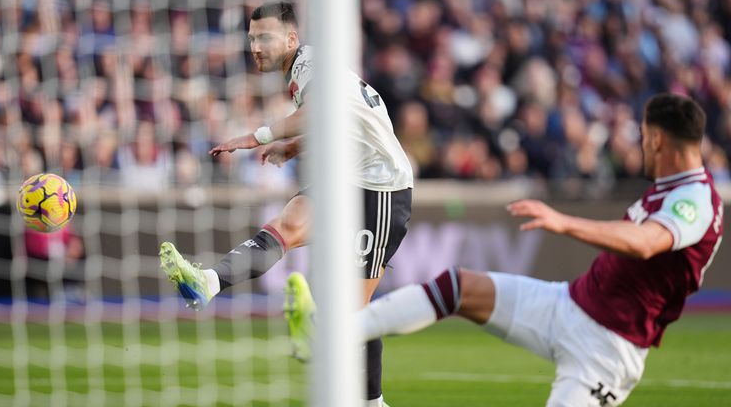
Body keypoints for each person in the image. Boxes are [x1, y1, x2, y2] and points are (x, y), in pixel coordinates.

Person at [289, 93, 723, 406]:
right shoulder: (668, 189)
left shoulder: (696, 200)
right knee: (457, 287)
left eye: (644, 136)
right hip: (568, 305)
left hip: (608, 350)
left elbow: (647, 244)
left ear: (659, 141)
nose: (640, 144)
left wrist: (564, 221)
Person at [159, 0, 413, 407]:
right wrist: (294, 146)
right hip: (347, 180)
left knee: (352, 314)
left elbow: (322, 111)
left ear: (291, 39)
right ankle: (207, 283)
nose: (255, 47)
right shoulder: (304, 69)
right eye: (251, 38)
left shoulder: (311, 67)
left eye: (264, 37)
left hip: (381, 191)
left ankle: (369, 398)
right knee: (283, 227)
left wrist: (258, 136)